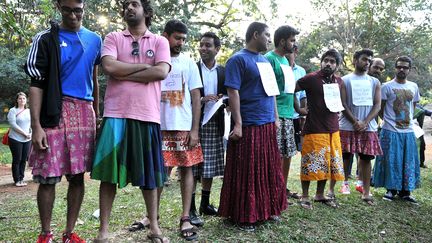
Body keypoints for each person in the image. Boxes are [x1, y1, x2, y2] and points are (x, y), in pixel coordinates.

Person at [90, 1, 171, 242]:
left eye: (134, 3)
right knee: (108, 175)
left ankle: (154, 226)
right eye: (126, 5)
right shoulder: (113, 37)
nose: (129, 8)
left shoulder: (159, 41)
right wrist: (145, 67)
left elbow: (160, 72)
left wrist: (125, 71)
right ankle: (103, 231)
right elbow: (108, 66)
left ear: (146, 11)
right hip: (116, 114)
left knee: (150, 175)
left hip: (147, 115)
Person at [24, 0, 102, 242]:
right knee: (48, 177)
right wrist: (36, 126)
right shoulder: (46, 38)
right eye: (67, 9)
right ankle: (46, 235)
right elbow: (36, 84)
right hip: (53, 111)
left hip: (84, 112)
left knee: (78, 176)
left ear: (84, 7)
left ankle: (69, 233)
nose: (72, 14)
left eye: (77, 9)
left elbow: (94, 78)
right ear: (59, 7)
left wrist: (97, 116)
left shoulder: (95, 39)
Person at [218, 22, 287, 232]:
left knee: (268, 169)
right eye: (266, 35)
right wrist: (238, 124)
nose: (269, 39)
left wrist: (275, 118)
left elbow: (272, 91)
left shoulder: (264, 61)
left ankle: (267, 210)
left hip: (266, 123)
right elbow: (233, 92)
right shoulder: (237, 60)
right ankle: (245, 216)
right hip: (248, 124)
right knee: (247, 172)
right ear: (255, 34)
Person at [160, 19, 203, 241]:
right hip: (157, 125)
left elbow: (196, 98)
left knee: (187, 170)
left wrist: (194, 129)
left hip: (183, 126)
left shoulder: (188, 63)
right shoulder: (155, 60)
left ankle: (185, 216)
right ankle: (152, 216)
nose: (181, 42)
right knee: (158, 171)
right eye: (177, 38)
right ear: (165, 35)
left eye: (184, 39)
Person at [295, 49, 345, 209]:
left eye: (332, 61)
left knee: (328, 164)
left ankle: (319, 194)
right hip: (314, 128)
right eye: (326, 60)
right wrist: (298, 109)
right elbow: (291, 90)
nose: (328, 64)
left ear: (337, 65)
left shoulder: (339, 82)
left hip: (333, 129)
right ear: (321, 62)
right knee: (310, 163)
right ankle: (304, 196)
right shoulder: (311, 79)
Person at [373, 56, 421, 204]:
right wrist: (390, 120)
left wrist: (408, 121)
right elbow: (380, 108)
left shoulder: (413, 86)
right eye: (399, 66)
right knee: (391, 160)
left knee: (408, 161)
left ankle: (406, 191)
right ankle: (391, 190)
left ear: (409, 70)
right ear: (395, 68)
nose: (402, 69)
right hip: (390, 130)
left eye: (405, 67)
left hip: (408, 131)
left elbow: (413, 106)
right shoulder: (386, 86)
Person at [190, 32, 226, 225]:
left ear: (217, 49)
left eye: (208, 45)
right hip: (195, 122)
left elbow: (229, 95)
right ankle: (191, 207)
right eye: (201, 45)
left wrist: (223, 99)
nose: (203, 48)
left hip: (215, 122)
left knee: (210, 165)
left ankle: (205, 203)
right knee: (193, 166)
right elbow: (185, 95)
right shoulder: (193, 68)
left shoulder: (223, 71)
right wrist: (201, 100)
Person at [338, 49, 382, 205]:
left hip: (368, 127)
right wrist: (355, 121)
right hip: (347, 125)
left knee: (366, 158)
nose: (367, 62)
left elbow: (377, 105)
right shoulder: (344, 80)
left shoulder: (374, 82)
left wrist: (365, 121)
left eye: (369, 60)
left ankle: (366, 191)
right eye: (364, 59)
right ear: (355, 60)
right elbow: (342, 103)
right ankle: (344, 184)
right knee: (345, 156)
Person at [264, 25, 300, 203]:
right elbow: (268, 90)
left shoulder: (286, 61)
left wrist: (299, 109)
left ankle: (280, 191)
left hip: (289, 115)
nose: (294, 44)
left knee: (287, 154)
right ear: (282, 41)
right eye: (292, 40)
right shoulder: (268, 59)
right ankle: (270, 192)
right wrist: (275, 116)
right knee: (274, 156)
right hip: (274, 116)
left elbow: (290, 89)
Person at [7, 92, 31, 187]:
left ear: (26, 100)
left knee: (23, 160)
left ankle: (21, 178)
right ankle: (16, 180)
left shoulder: (29, 111)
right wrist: (24, 133)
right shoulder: (13, 110)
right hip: (15, 138)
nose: (22, 100)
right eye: (20, 98)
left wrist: (30, 134)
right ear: (17, 100)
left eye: (24, 98)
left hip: (27, 139)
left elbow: (31, 124)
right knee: (17, 159)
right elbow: (13, 125)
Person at [287, 46, 307, 153]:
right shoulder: (280, 67)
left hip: (296, 117)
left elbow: (303, 94)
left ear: (296, 52)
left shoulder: (301, 71)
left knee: (295, 150)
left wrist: (302, 114)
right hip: (283, 115)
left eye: (289, 52)